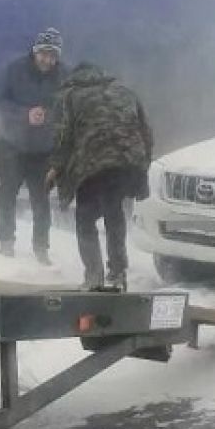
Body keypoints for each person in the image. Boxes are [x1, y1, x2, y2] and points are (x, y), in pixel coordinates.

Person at [47, 63, 153, 291]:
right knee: (114, 213)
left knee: (85, 220)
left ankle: (94, 276)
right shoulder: (125, 91)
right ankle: (117, 274)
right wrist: (143, 164)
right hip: (126, 162)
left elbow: (62, 136)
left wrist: (55, 168)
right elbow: (146, 131)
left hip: (92, 165)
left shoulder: (69, 96)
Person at [0, 28, 68, 264]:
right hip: (12, 145)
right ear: (35, 51)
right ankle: (6, 241)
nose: (48, 60)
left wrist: (48, 114)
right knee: (7, 194)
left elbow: (68, 108)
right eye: (44, 54)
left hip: (42, 149)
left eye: (53, 55)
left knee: (41, 199)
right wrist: (24, 114)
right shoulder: (14, 70)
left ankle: (41, 248)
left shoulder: (63, 76)